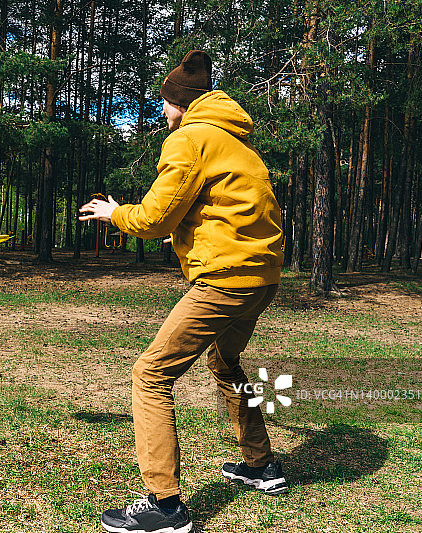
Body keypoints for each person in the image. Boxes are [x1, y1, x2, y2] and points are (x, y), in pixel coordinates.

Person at [79, 50, 286, 533]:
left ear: (184, 103)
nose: (164, 113)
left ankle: (165, 507)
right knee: (225, 362)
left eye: (168, 104)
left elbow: (155, 218)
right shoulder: (239, 144)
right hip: (263, 277)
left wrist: (116, 214)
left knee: (150, 374)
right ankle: (261, 464)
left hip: (224, 278)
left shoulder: (190, 139)